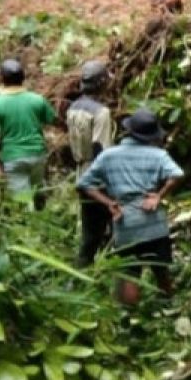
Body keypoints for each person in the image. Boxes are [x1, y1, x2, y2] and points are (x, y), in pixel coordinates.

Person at [77, 109, 184, 306]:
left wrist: (109, 203)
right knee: (161, 270)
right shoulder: (159, 155)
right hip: (153, 221)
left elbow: (85, 184)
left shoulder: (108, 156)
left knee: (129, 272)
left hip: (125, 220)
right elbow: (177, 174)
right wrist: (158, 196)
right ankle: (168, 310)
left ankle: (128, 318)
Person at [0, 58, 56, 209]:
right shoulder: (37, 100)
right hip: (37, 154)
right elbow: (53, 120)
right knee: (38, 192)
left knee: (23, 202)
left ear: (2, 79)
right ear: (23, 78)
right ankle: (44, 220)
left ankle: (30, 229)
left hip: (13, 157)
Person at [68, 61, 115, 265]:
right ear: (102, 83)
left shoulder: (73, 108)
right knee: (111, 228)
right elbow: (100, 149)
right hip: (98, 178)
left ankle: (82, 273)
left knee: (90, 231)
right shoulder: (101, 113)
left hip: (81, 171)